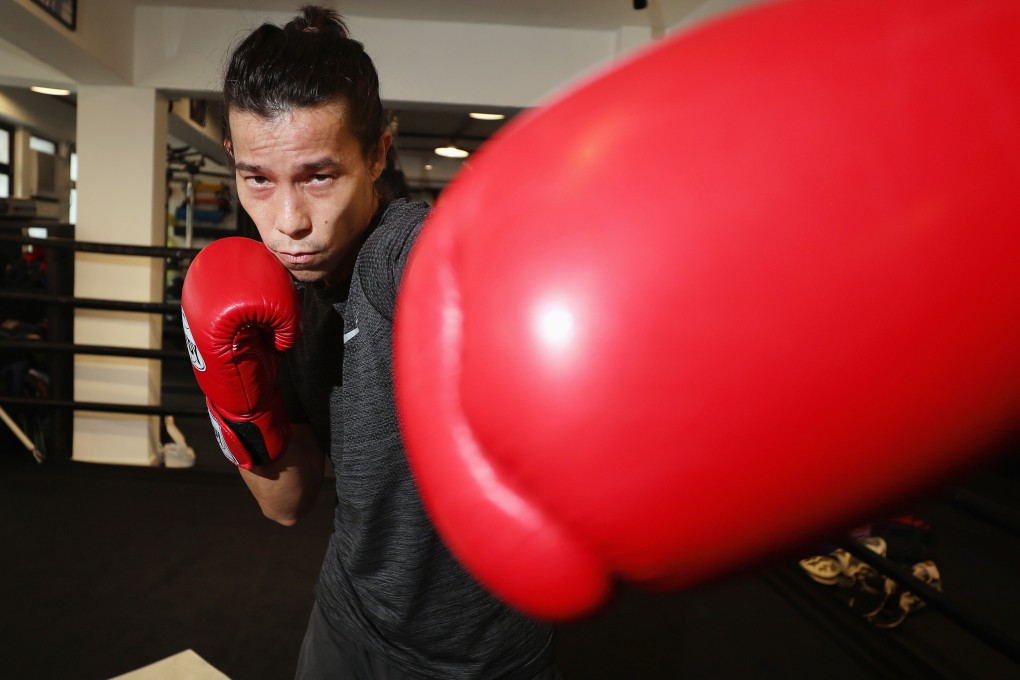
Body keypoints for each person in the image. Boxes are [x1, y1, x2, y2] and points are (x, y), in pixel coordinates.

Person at [204, 5, 560, 679]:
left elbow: (462, 271)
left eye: (318, 175)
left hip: (476, 653)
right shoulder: (269, 295)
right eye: (258, 178)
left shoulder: (404, 254)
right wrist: (236, 397)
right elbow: (285, 503)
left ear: (376, 154)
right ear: (234, 159)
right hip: (347, 613)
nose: (289, 224)